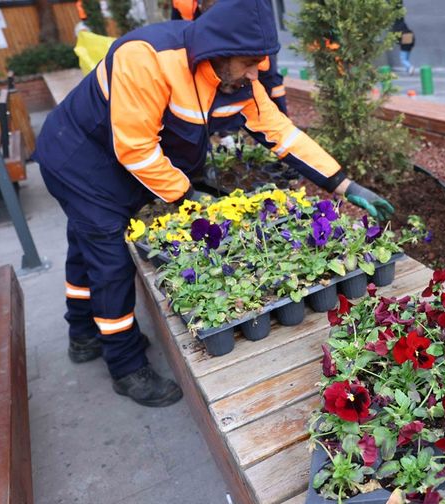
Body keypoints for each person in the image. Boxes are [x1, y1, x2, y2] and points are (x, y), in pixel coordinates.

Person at [33, 0, 394, 407]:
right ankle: (125, 365)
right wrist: (186, 194)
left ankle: (82, 335)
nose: (256, 73)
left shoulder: (236, 82)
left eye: (260, 63)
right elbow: (135, 149)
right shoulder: (148, 56)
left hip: (117, 164)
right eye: (248, 63)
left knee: (85, 242)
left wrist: (346, 185)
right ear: (218, 51)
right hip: (80, 158)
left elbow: (283, 135)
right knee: (109, 260)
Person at [171, 0, 289, 114]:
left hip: (245, 42)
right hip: (203, 43)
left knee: (267, 77)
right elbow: (177, 27)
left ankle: (277, 113)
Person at [391, 1, 415, 75]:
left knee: (403, 58)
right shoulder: (400, 22)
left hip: (405, 36)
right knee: (406, 55)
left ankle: (409, 67)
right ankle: (408, 69)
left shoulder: (396, 25)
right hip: (409, 35)